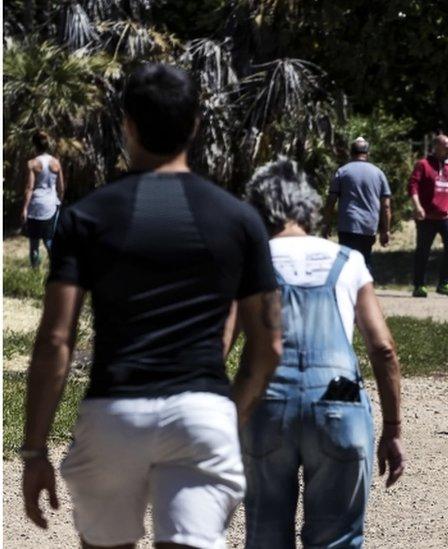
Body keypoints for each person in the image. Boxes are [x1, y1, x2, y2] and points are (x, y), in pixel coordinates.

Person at [20, 63, 283, 548]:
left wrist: (35, 449)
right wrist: (232, 411)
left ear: (128, 125)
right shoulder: (239, 219)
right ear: (196, 125)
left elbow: (57, 339)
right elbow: (268, 345)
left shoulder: (86, 217)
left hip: (115, 410)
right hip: (201, 410)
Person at [242, 157, 405, 548]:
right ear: (309, 207)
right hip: (340, 396)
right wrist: (393, 429)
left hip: (269, 401)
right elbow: (383, 348)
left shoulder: (252, 260)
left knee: (266, 535)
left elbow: (219, 346)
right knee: (339, 537)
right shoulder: (349, 261)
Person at [323, 136, 392, 270]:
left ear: (351, 153)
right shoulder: (378, 173)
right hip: (368, 226)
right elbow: (386, 205)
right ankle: (365, 288)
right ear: (368, 153)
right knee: (365, 261)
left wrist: (326, 223)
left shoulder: (342, 171)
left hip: (347, 225)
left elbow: (331, 200)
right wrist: (386, 230)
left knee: (346, 263)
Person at [408, 134, 448, 298]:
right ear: (436, 147)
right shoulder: (423, 165)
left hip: (446, 216)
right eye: (446, 147)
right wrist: (417, 206)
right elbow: (413, 186)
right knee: (423, 251)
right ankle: (419, 285)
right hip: (427, 217)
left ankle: (445, 283)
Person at [21, 131, 65, 269]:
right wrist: (59, 202)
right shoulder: (56, 162)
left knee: (34, 244)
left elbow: (30, 187)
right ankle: (57, 268)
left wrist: (24, 208)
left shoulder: (32, 163)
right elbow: (61, 187)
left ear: (34, 145)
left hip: (36, 205)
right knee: (49, 241)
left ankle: (35, 272)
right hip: (51, 205)